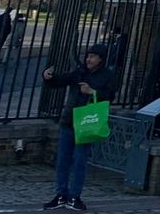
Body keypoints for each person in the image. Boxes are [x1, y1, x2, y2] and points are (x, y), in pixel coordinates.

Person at [41, 43, 117, 211]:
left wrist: (92, 91)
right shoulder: (80, 72)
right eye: (88, 56)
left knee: (79, 161)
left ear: (100, 59)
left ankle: (75, 196)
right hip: (69, 120)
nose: (88, 59)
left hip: (86, 122)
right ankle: (61, 194)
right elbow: (62, 79)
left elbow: (110, 96)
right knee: (62, 160)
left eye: (92, 56)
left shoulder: (107, 76)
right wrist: (49, 77)